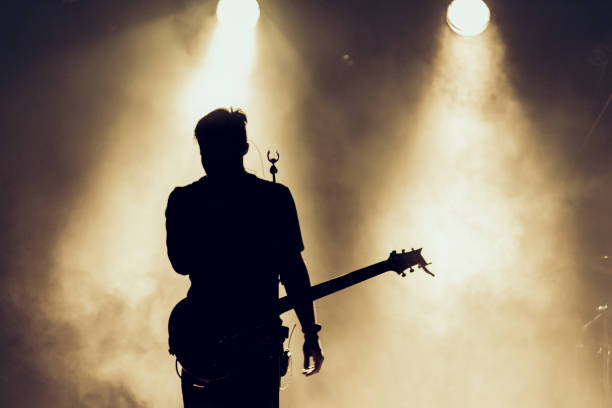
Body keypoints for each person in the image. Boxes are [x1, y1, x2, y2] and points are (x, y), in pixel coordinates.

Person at [165, 108, 324, 408]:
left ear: (243, 148)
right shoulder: (272, 199)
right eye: (206, 151)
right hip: (227, 348)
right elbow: (293, 271)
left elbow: (180, 262)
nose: (210, 158)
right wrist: (309, 333)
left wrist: (310, 331)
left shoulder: (185, 200)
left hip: (219, 346)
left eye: (215, 149)